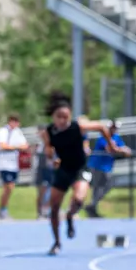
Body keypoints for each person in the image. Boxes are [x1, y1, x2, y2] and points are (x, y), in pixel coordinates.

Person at [40, 91, 117, 256]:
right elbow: (49, 150)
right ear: (53, 116)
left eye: (66, 117)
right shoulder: (48, 132)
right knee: (53, 208)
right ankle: (57, 242)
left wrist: (112, 146)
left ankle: (69, 216)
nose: (63, 121)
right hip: (63, 170)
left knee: (79, 199)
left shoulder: (78, 127)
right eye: (59, 117)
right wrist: (51, 157)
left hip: (80, 169)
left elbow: (101, 127)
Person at [85, 120, 131, 218]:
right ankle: (92, 208)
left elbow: (126, 151)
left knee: (108, 185)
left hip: (107, 167)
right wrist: (121, 150)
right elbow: (110, 149)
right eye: (113, 127)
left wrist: (121, 150)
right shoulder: (103, 137)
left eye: (115, 128)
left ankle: (92, 205)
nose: (114, 129)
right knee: (97, 186)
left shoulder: (117, 138)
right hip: (97, 165)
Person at [0, 113, 28, 220]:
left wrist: (14, 147)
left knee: (10, 188)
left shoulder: (18, 132)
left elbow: (25, 145)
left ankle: (3, 209)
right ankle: (2, 210)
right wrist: (15, 147)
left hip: (14, 164)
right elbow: (2, 145)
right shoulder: (3, 131)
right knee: (8, 187)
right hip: (4, 164)